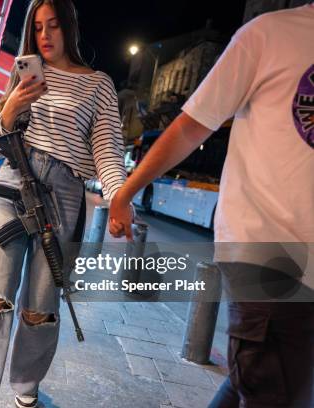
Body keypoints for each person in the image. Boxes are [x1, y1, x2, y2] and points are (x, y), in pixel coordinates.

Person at [110, 4, 314, 407]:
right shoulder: (271, 35)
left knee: (253, 384)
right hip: (270, 254)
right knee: (275, 388)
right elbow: (191, 125)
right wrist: (125, 192)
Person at [0, 1, 127, 407]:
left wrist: (119, 197)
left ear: (70, 28)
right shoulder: (25, 72)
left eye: (54, 26)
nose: (45, 35)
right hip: (13, 182)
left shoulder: (97, 84)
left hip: (65, 196)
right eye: (38, 26)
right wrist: (12, 107)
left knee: (40, 309)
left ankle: (25, 387)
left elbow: (107, 150)